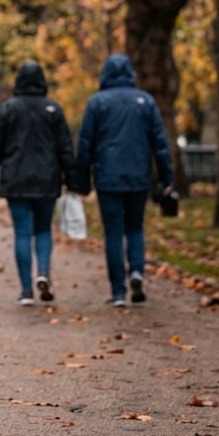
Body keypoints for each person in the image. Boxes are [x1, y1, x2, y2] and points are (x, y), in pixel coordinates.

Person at [74, 54, 173, 307]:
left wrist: (82, 181)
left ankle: (118, 291)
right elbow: (160, 144)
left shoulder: (97, 103)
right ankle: (137, 271)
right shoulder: (145, 102)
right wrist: (166, 178)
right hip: (138, 177)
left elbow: (86, 144)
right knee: (136, 228)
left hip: (107, 178)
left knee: (114, 233)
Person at [0, 61, 77, 305]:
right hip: (47, 180)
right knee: (43, 229)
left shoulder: (8, 109)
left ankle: (26, 291)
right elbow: (65, 149)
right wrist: (74, 180)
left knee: (22, 233)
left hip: (16, 181)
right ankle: (43, 273)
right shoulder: (53, 109)